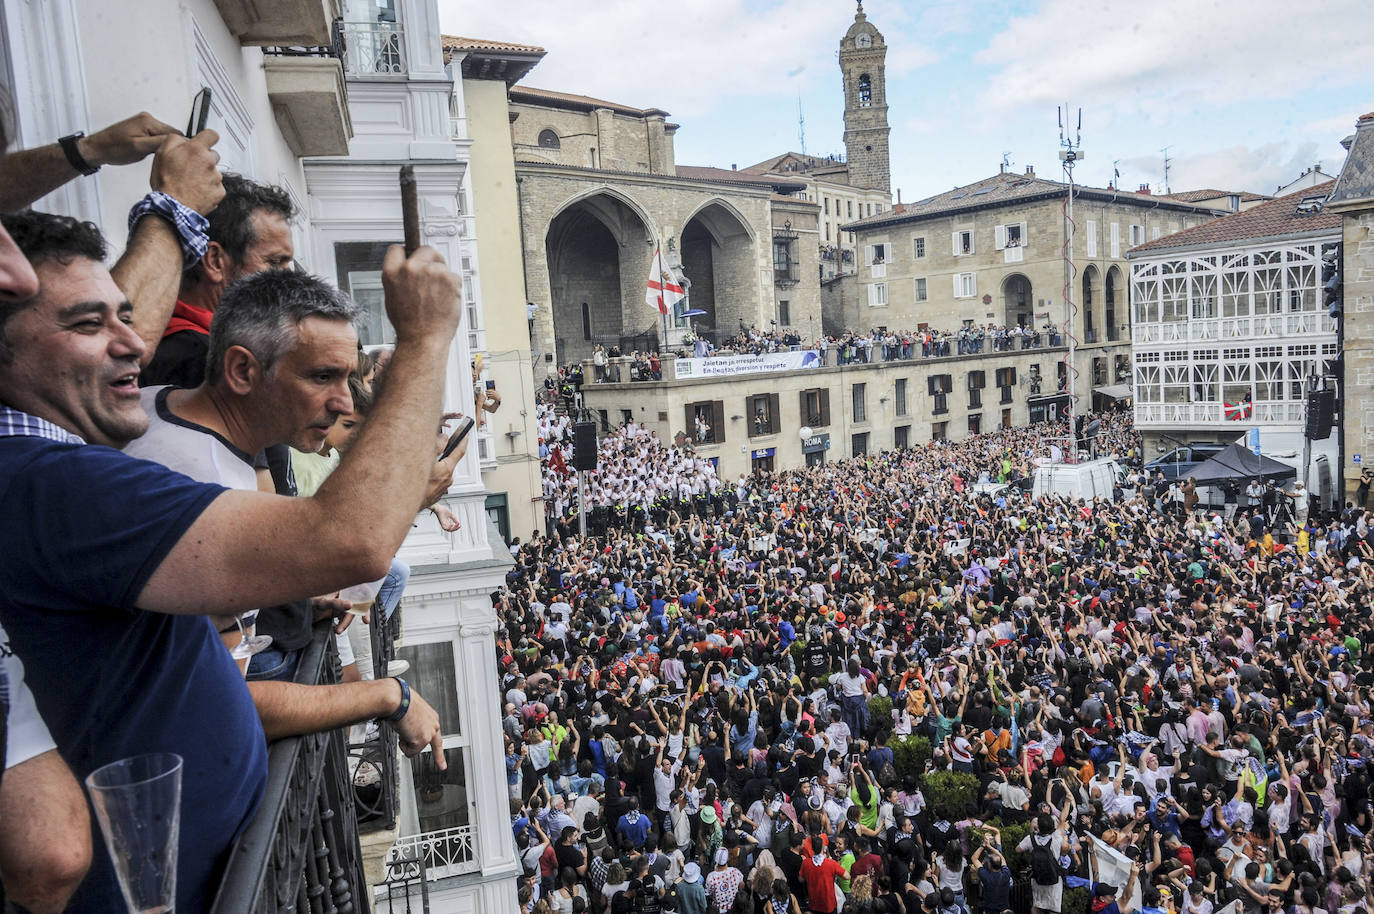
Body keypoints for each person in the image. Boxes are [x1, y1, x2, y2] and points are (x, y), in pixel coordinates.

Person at [0, 209, 461, 911]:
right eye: (90, 325)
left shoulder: (109, 442)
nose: (134, 344)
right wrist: (426, 341)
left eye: (127, 317)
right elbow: (350, 539)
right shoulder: (55, 483)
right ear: (245, 369)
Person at [122, 268, 454, 744]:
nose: (342, 402)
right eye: (322, 376)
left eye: (344, 377)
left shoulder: (166, 411)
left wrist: (297, 596)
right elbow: (216, 704)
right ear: (242, 371)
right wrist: (387, 696)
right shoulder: (197, 473)